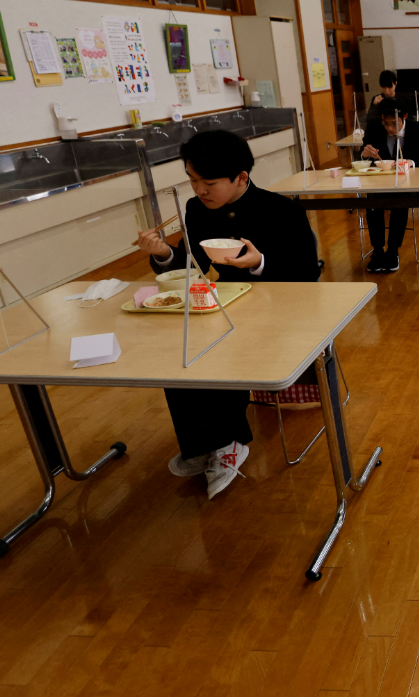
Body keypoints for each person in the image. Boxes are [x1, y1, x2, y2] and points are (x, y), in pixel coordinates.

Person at [135, 130, 320, 499]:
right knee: (180, 345)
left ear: (241, 178)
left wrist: (260, 263)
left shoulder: (283, 210)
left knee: (219, 344)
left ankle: (228, 443)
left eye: (208, 182)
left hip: (285, 311)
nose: (199, 190)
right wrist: (163, 255)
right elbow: (195, 267)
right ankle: (202, 445)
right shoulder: (196, 210)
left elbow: (308, 273)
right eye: (192, 180)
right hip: (232, 303)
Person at [361, 97, 419, 273]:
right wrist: (364, 154)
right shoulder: (374, 128)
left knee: (400, 201)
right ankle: (377, 251)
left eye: (394, 124)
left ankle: (393, 250)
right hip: (380, 183)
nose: (390, 128)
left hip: (409, 184)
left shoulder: (418, 129)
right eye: (386, 124)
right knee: (371, 202)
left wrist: (410, 163)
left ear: (405, 117)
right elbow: (362, 159)